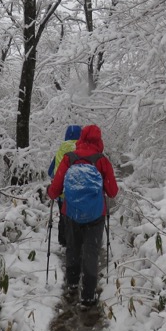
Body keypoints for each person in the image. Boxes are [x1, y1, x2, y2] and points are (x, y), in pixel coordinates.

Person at [47, 124, 118, 307]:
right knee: (91, 252)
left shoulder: (69, 158)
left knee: (73, 246)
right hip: (95, 214)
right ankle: (88, 295)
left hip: (71, 212)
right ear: (99, 140)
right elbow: (112, 191)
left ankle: (71, 283)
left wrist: (52, 193)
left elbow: (56, 187)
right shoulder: (102, 160)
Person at [47, 125, 82, 247]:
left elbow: (50, 171)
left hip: (62, 192)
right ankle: (77, 241)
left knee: (63, 215)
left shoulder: (60, 150)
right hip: (78, 193)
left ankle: (63, 241)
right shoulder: (82, 149)